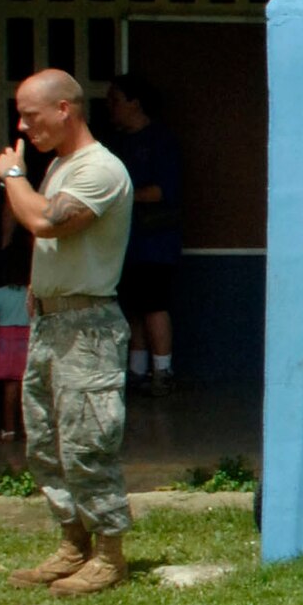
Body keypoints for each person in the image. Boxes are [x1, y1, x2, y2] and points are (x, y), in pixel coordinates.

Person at [0, 70, 134, 597]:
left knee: (87, 440)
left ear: (64, 110)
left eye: (31, 115)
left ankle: (110, 555)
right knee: (48, 442)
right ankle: (73, 544)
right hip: (52, 322)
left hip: (88, 327)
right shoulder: (58, 166)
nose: (23, 126)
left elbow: (47, 222)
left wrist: (12, 176)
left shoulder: (100, 170)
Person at [106, 76, 183, 395]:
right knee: (131, 306)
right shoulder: (118, 143)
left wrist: (120, 196)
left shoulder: (161, 141)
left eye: (116, 100)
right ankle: (136, 370)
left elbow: (162, 191)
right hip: (124, 242)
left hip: (154, 242)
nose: (111, 108)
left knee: (153, 304)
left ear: (135, 102)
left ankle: (163, 372)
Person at [0, 237, 32, 440]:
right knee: (28, 388)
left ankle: (9, 429)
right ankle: (27, 428)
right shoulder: (32, 294)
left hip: (4, 344)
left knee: (10, 387)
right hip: (27, 342)